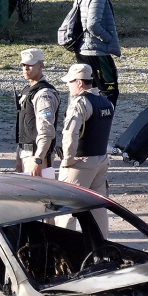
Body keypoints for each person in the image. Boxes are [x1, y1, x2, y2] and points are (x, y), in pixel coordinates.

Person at [56, 64, 114, 237]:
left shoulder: (80, 103)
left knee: (65, 210)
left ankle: (64, 251)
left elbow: (70, 134)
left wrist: (68, 160)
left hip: (81, 163)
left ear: (80, 82)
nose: (68, 85)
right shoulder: (106, 102)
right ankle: (103, 248)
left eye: (70, 82)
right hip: (101, 159)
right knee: (98, 209)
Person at [75, 0, 121, 109]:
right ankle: (101, 128)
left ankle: (87, 129)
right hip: (96, 51)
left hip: (84, 49)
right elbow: (93, 24)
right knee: (109, 92)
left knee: (89, 92)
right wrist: (109, 39)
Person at [15, 48, 60, 175]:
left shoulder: (44, 94)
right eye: (23, 65)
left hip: (37, 155)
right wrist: (18, 154)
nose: (25, 68)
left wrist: (39, 159)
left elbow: (46, 130)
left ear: (41, 65)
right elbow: (24, 128)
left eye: (30, 65)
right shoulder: (28, 90)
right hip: (26, 153)